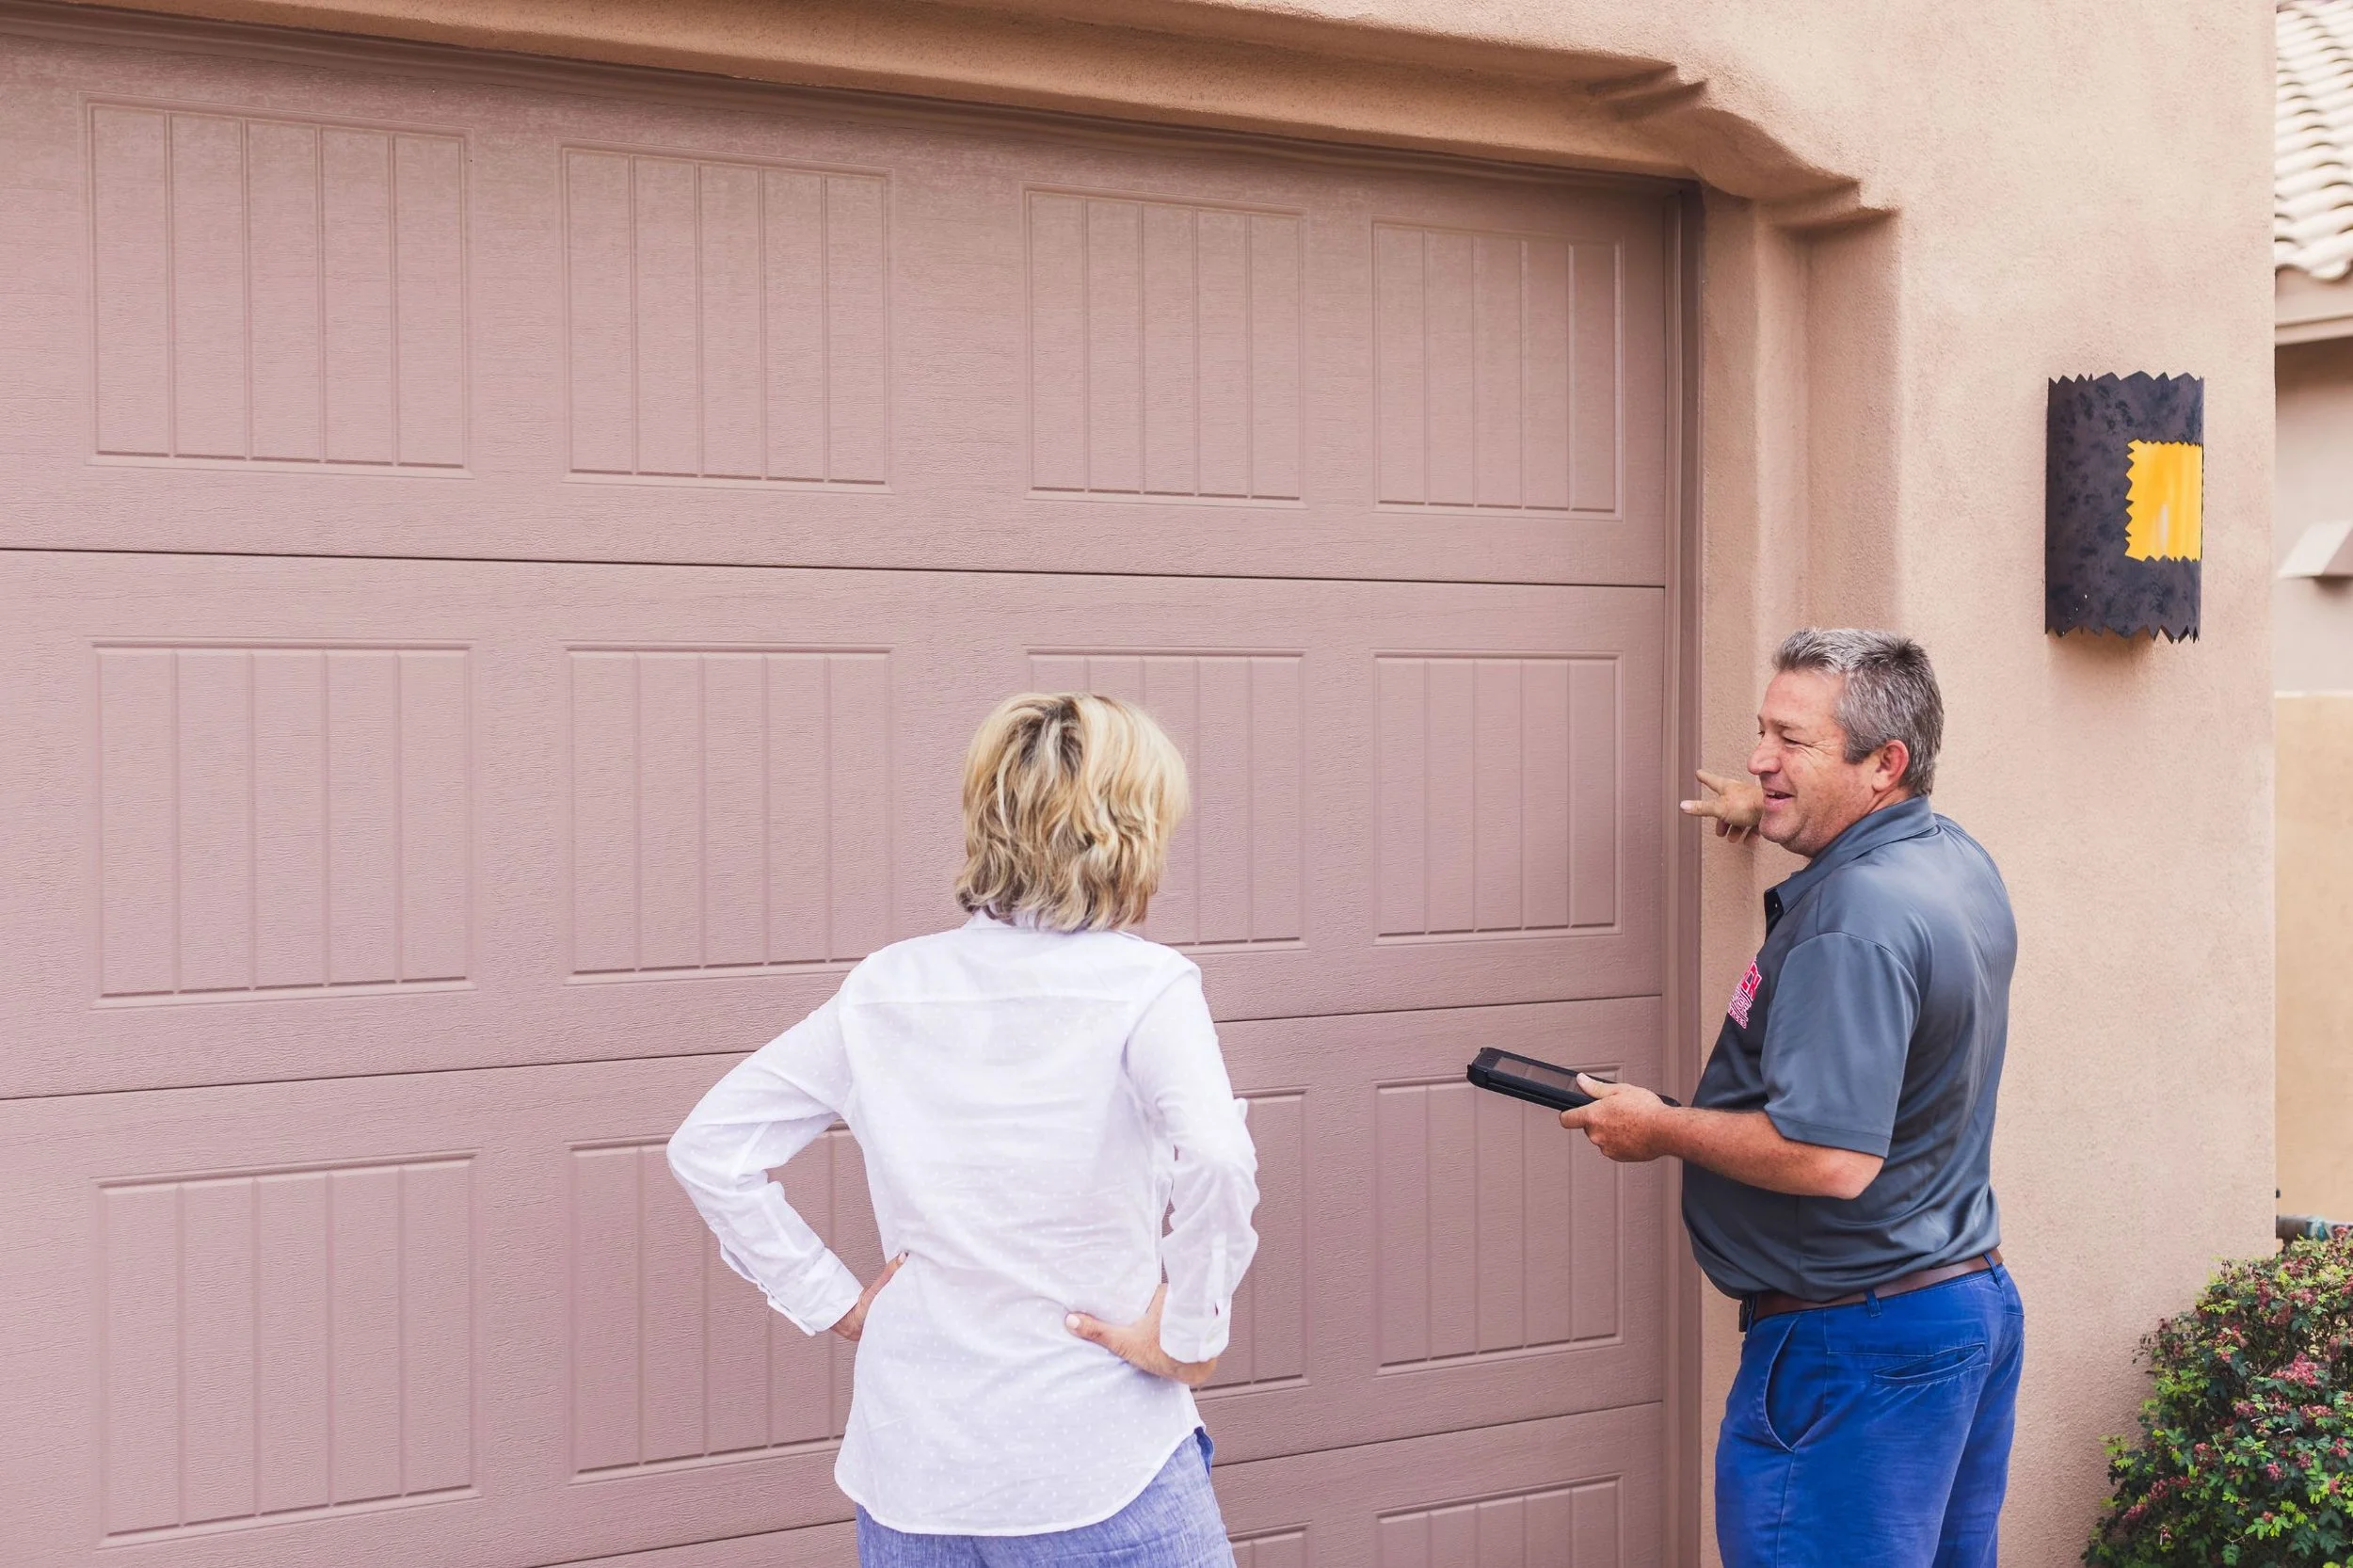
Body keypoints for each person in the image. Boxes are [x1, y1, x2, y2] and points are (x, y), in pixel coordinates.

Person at [667, 693, 1259, 1567]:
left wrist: (830, 1299)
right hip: (1096, 1462)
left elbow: (710, 1147)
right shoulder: (1146, 987)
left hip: (915, 1475)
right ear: (1131, 830)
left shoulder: (888, 986)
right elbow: (1215, 1153)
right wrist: (1191, 1338)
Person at [1560, 629, 2024, 1568]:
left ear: (1884, 764)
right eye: (1762, 732)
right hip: (1959, 1307)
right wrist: (1771, 806)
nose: (1759, 757)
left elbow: (1830, 1157)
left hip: (1855, 1348)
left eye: (1792, 741)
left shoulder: (1852, 921)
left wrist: (1658, 1127)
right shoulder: (1951, 858)